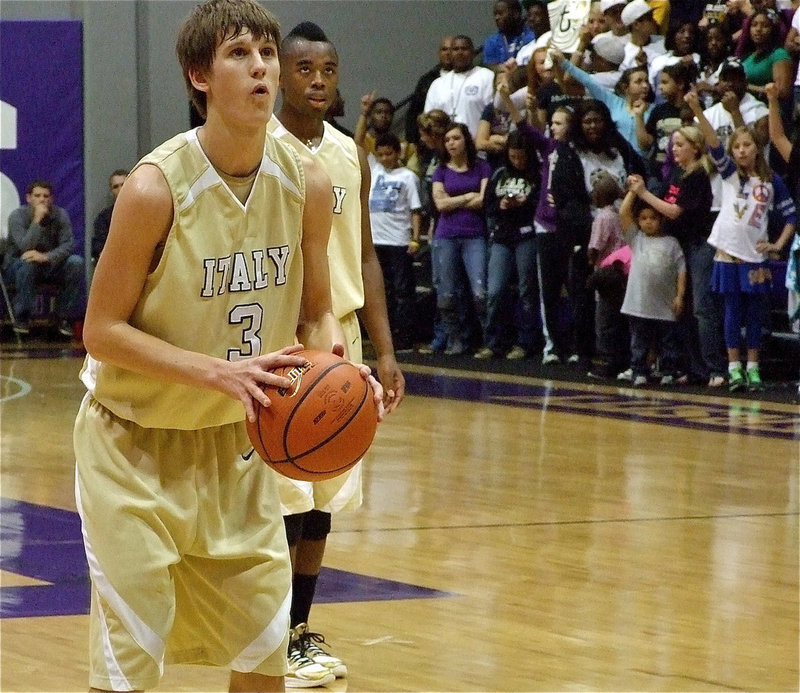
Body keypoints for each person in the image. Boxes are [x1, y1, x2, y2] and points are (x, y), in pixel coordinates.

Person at [72, 2, 382, 692]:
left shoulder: (308, 180)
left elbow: (317, 312)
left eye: (267, 52)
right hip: (133, 449)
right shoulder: (156, 188)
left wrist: (338, 371)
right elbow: (100, 331)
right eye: (239, 53)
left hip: (235, 450)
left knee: (263, 651)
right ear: (199, 75)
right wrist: (220, 372)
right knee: (131, 661)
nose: (261, 66)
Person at [268, 21, 404, 687]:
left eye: (327, 69)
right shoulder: (257, 147)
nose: (317, 80)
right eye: (304, 69)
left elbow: (367, 255)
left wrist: (386, 352)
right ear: (279, 76)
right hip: (280, 338)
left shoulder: (351, 152)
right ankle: (269, 633)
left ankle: (298, 629)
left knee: (322, 496)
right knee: (282, 497)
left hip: (341, 337)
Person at [686, 88, 796, 391]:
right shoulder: (731, 175)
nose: (742, 151)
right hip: (727, 254)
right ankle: (734, 367)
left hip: (756, 257)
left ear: (756, 148)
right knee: (732, 311)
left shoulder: (772, 181)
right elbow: (712, 141)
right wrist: (697, 109)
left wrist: (777, 245)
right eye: (737, 147)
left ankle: (753, 367)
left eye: (747, 145)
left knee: (756, 314)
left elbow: (791, 217)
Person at [550, 99, 647, 371]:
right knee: (584, 298)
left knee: (621, 302)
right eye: (587, 121)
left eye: (597, 120)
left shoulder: (619, 150)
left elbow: (640, 175)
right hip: (588, 238)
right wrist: (595, 228)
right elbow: (564, 200)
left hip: (624, 236)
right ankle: (585, 351)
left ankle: (624, 356)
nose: (593, 126)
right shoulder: (569, 154)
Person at [627, 124, 726, 386]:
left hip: (699, 244)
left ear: (695, 147)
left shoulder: (698, 175)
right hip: (681, 243)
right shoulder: (677, 174)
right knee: (684, 309)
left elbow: (674, 212)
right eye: (673, 144)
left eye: (681, 144)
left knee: (702, 307)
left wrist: (643, 194)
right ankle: (695, 368)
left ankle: (716, 368)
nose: (675, 148)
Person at [477, 127, 541, 360]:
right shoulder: (499, 173)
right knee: (495, 290)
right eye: (513, 156)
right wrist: (501, 205)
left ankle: (526, 342)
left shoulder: (538, 174)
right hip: (502, 237)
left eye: (521, 157)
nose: (517, 161)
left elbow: (543, 204)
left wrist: (526, 202)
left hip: (526, 236)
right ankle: (494, 342)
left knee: (527, 290)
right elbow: (488, 204)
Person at [432, 122, 492, 355]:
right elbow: (440, 204)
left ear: (466, 140)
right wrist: (468, 195)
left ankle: (488, 340)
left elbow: (483, 200)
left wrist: (453, 200)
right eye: (447, 140)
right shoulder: (441, 171)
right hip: (446, 236)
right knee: (446, 294)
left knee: (480, 292)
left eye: (456, 138)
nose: (451, 143)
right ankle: (454, 339)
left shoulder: (482, 168)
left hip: (474, 235)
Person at [618, 183, 687, 386]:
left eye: (653, 218)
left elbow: (681, 270)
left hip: (665, 304)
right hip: (639, 304)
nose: (648, 223)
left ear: (662, 220)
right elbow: (623, 213)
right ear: (638, 221)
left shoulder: (672, 243)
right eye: (643, 219)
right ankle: (639, 370)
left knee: (668, 340)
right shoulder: (636, 240)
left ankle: (668, 370)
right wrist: (633, 191)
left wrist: (679, 295)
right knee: (639, 340)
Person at [2, 179, 84, 336]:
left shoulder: (60, 215)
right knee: (28, 264)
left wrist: (46, 257)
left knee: (76, 262)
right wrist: (37, 220)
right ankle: (22, 317)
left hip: (49, 264)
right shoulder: (17, 216)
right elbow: (24, 247)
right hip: (18, 264)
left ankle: (62, 317)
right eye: (37, 195)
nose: (42, 199)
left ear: (51, 199)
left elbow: (68, 245)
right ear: (28, 198)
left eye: (46, 196)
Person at [367, 132, 424, 352]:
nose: (383, 158)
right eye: (380, 154)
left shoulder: (408, 177)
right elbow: (359, 141)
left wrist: (415, 238)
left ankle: (405, 337)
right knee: (383, 291)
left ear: (398, 153)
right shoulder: (375, 170)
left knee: (403, 291)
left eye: (388, 154)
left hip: (399, 240)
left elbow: (416, 209)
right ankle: (385, 337)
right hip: (376, 240)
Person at [424, 35, 495, 137]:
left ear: (473, 53)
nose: (460, 52)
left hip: (478, 146)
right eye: (455, 49)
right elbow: (429, 119)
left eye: (464, 49)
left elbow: (493, 113)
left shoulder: (487, 76)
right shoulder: (438, 84)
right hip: (447, 146)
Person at [404, 36, 454, 145]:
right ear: (439, 53)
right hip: (430, 140)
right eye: (444, 49)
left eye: (452, 49)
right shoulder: (427, 80)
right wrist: (413, 140)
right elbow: (414, 111)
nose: (448, 53)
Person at [354, 92, 415, 166]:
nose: (383, 116)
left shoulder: (402, 145)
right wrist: (364, 113)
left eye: (387, 113)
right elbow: (358, 141)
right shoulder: (365, 141)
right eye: (378, 112)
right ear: (370, 115)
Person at [483, 0, 536, 69]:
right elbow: (491, 68)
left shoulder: (532, 34)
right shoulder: (491, 42)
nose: (497, 18)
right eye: (495, 14)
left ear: (515, 14)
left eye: (500, 13)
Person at [618, 0, 668, 72]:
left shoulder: (665, 42)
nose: (655, 21)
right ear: (636, 25)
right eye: (650, 18)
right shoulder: (625, 56)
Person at [91, 168, 128, 263]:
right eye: (116, 187)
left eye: (123, 184)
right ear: (111, 191)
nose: (120, 189)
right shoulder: (103, 218)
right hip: (115, 262)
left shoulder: (144, 212)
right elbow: (99, 246)